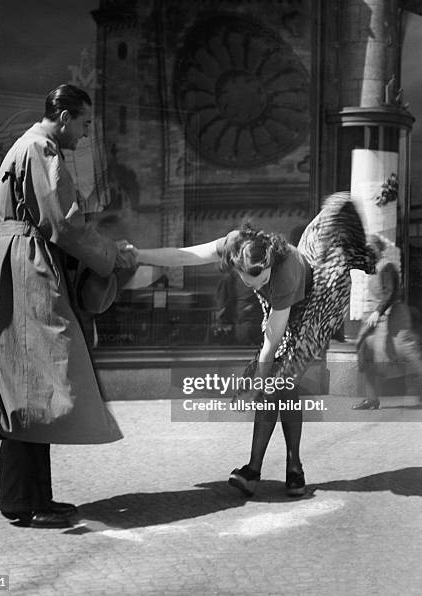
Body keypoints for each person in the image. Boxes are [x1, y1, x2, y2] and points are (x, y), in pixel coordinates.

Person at [0, 84, 135, 528]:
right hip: (27, 268)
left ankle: (30, 497)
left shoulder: (24, 146)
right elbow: (63, 224)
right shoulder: (42, 148)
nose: (85, 134)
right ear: (64, 117)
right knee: (33, 382)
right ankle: (21, 499)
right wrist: (111, 256)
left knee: (27, 383)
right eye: (84, 123)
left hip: (15, 263)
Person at [125, 193, 378, 497]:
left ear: (271, 264)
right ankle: (289, 468)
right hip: (286, 306)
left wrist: (259, 380)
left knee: (277, 383)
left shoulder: (283, 274)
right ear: (236, 263)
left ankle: (261, 469)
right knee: (281, 385)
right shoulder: (235, 244)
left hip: (318, 301)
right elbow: (184, 256)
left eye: (262, 279)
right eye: (250, 281)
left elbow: (273, 338)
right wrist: (139, 254)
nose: (257, 285)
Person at [353, 238, 422, 409]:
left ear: (377, 250)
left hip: (394, 318)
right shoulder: (373, 268)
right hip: (375, 319)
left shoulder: (387, 266)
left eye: (370, 249)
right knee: (364, 351)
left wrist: (377, 312)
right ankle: (371, 399)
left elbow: (390, 293)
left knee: (408, 353)